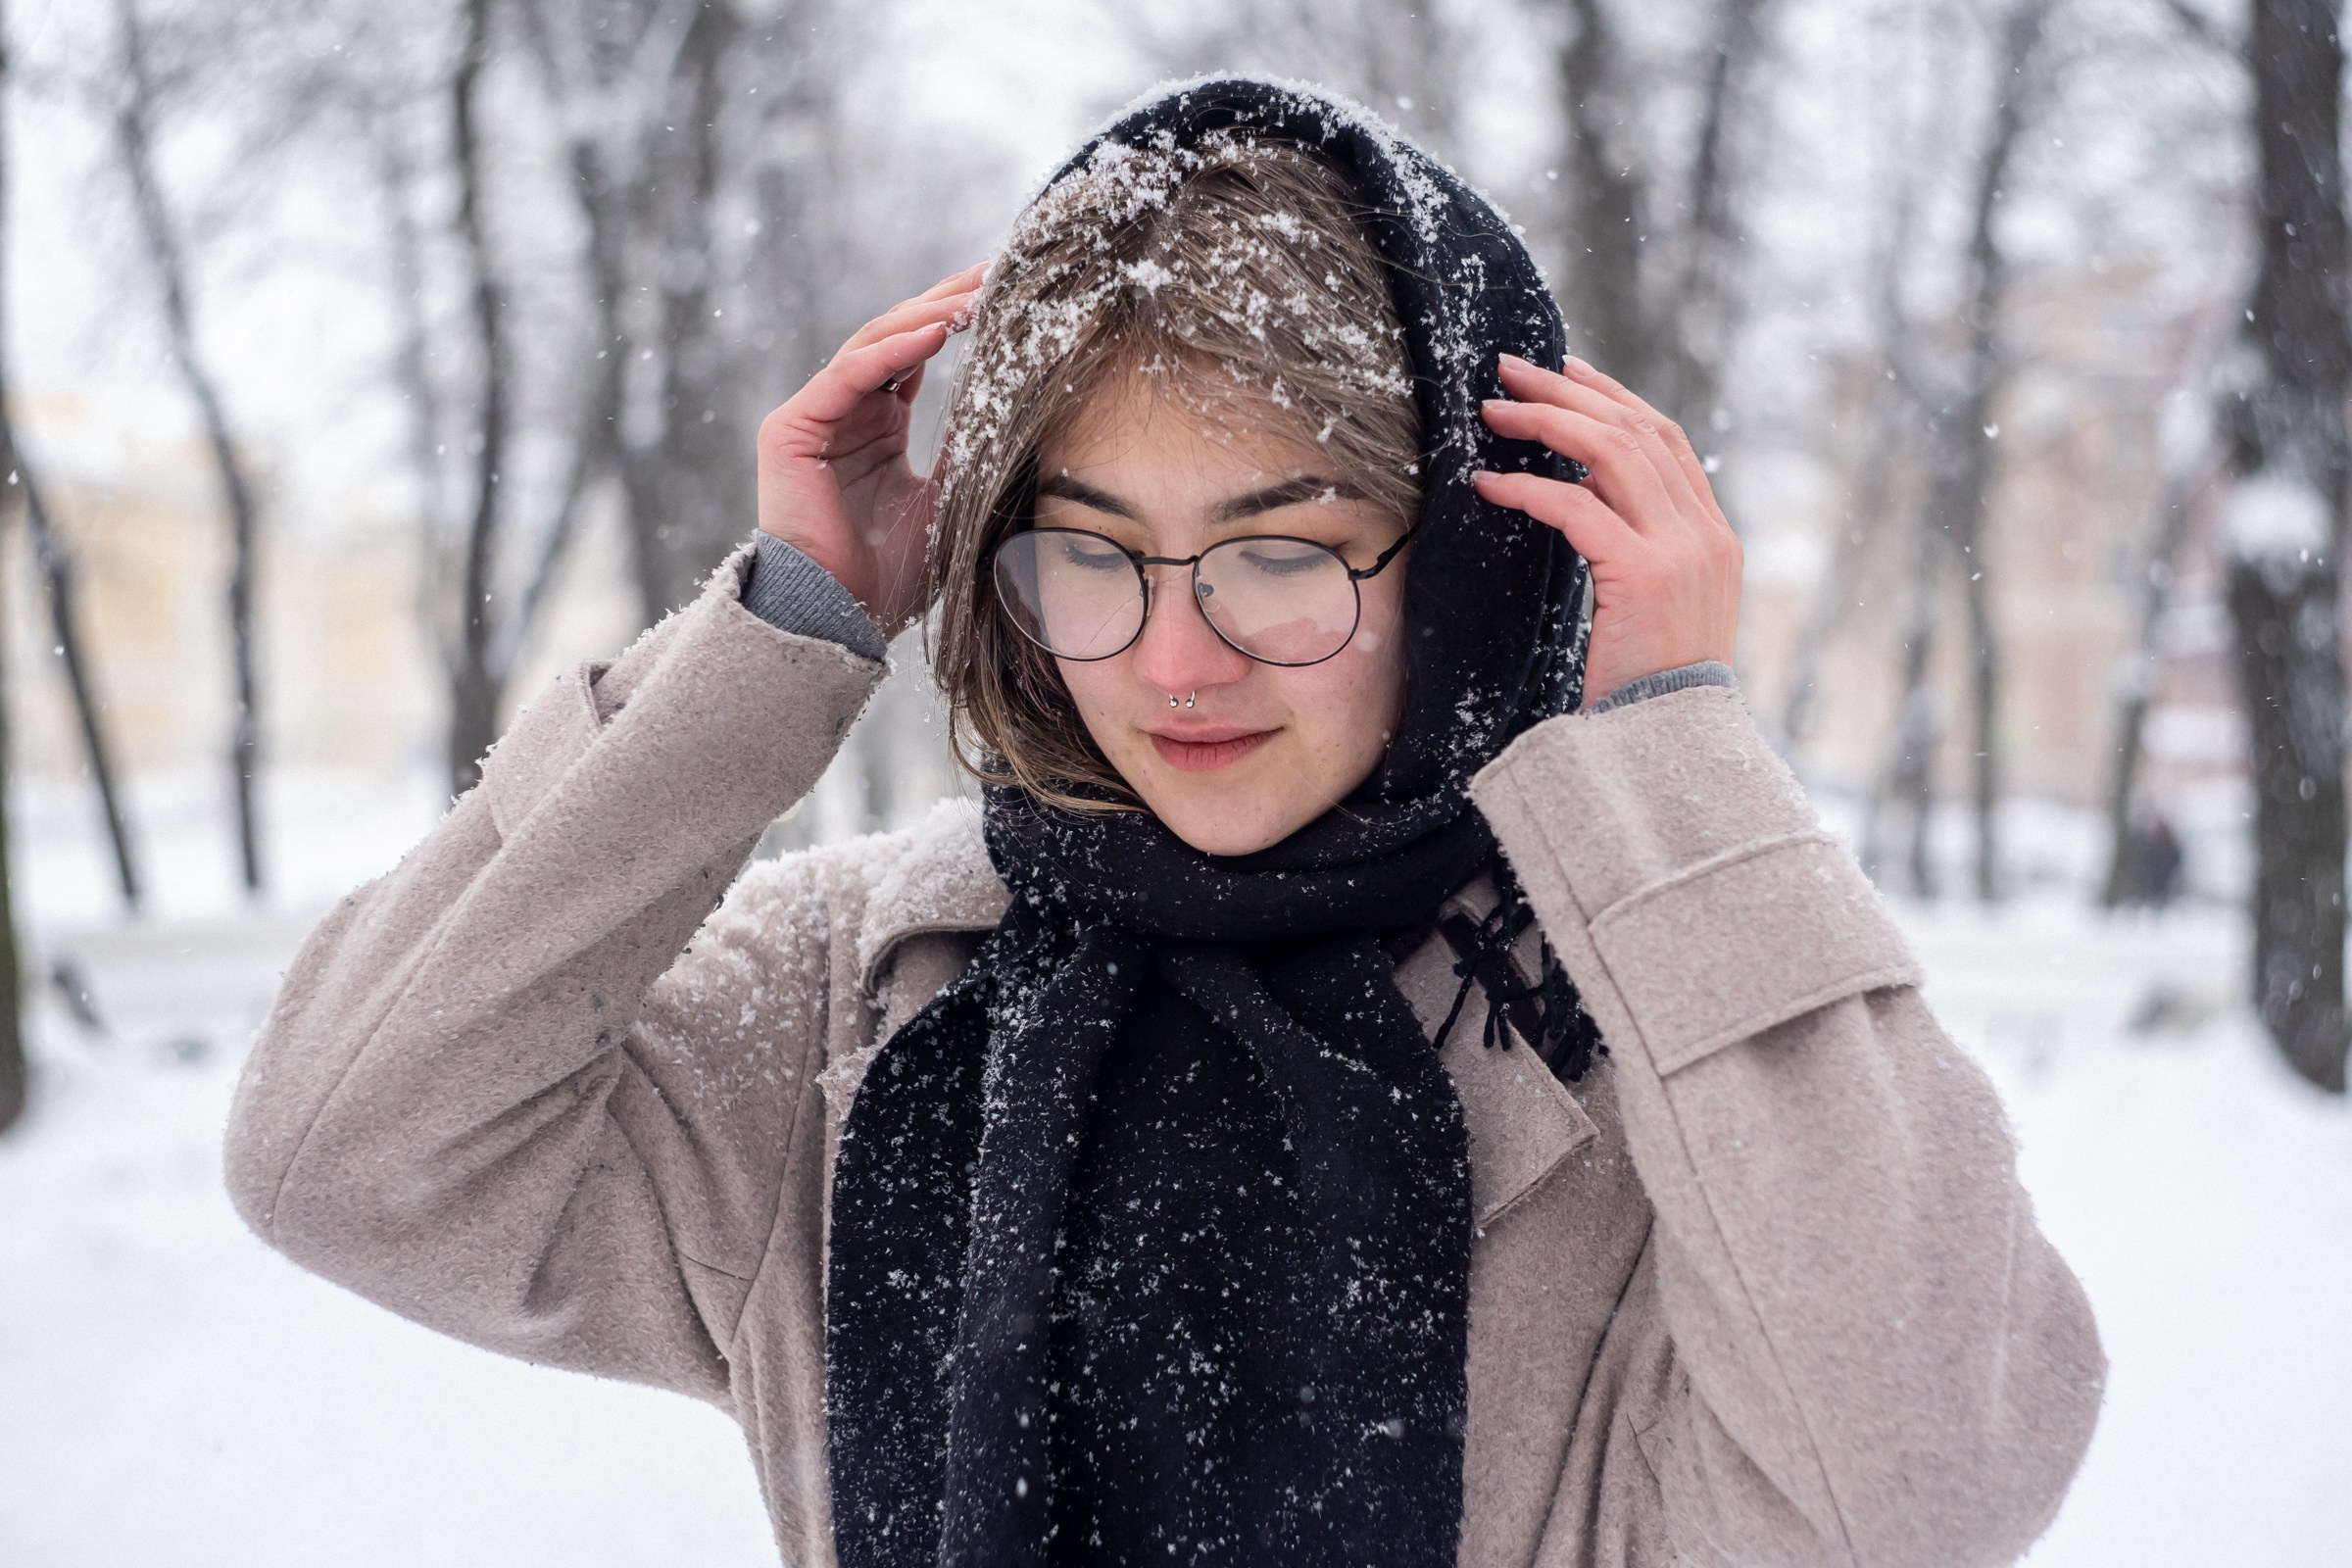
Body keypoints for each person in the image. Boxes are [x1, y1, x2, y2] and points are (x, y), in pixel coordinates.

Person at [223, 79, 2102, 1568]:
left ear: (1465, 555)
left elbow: (1923, 1482)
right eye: (1091, 555)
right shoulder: (862, 996)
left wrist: (1667, 756)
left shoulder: (1640, 1037)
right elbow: (350, 1157)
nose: (1176, 659)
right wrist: (783, 634)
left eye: (1281, 554)